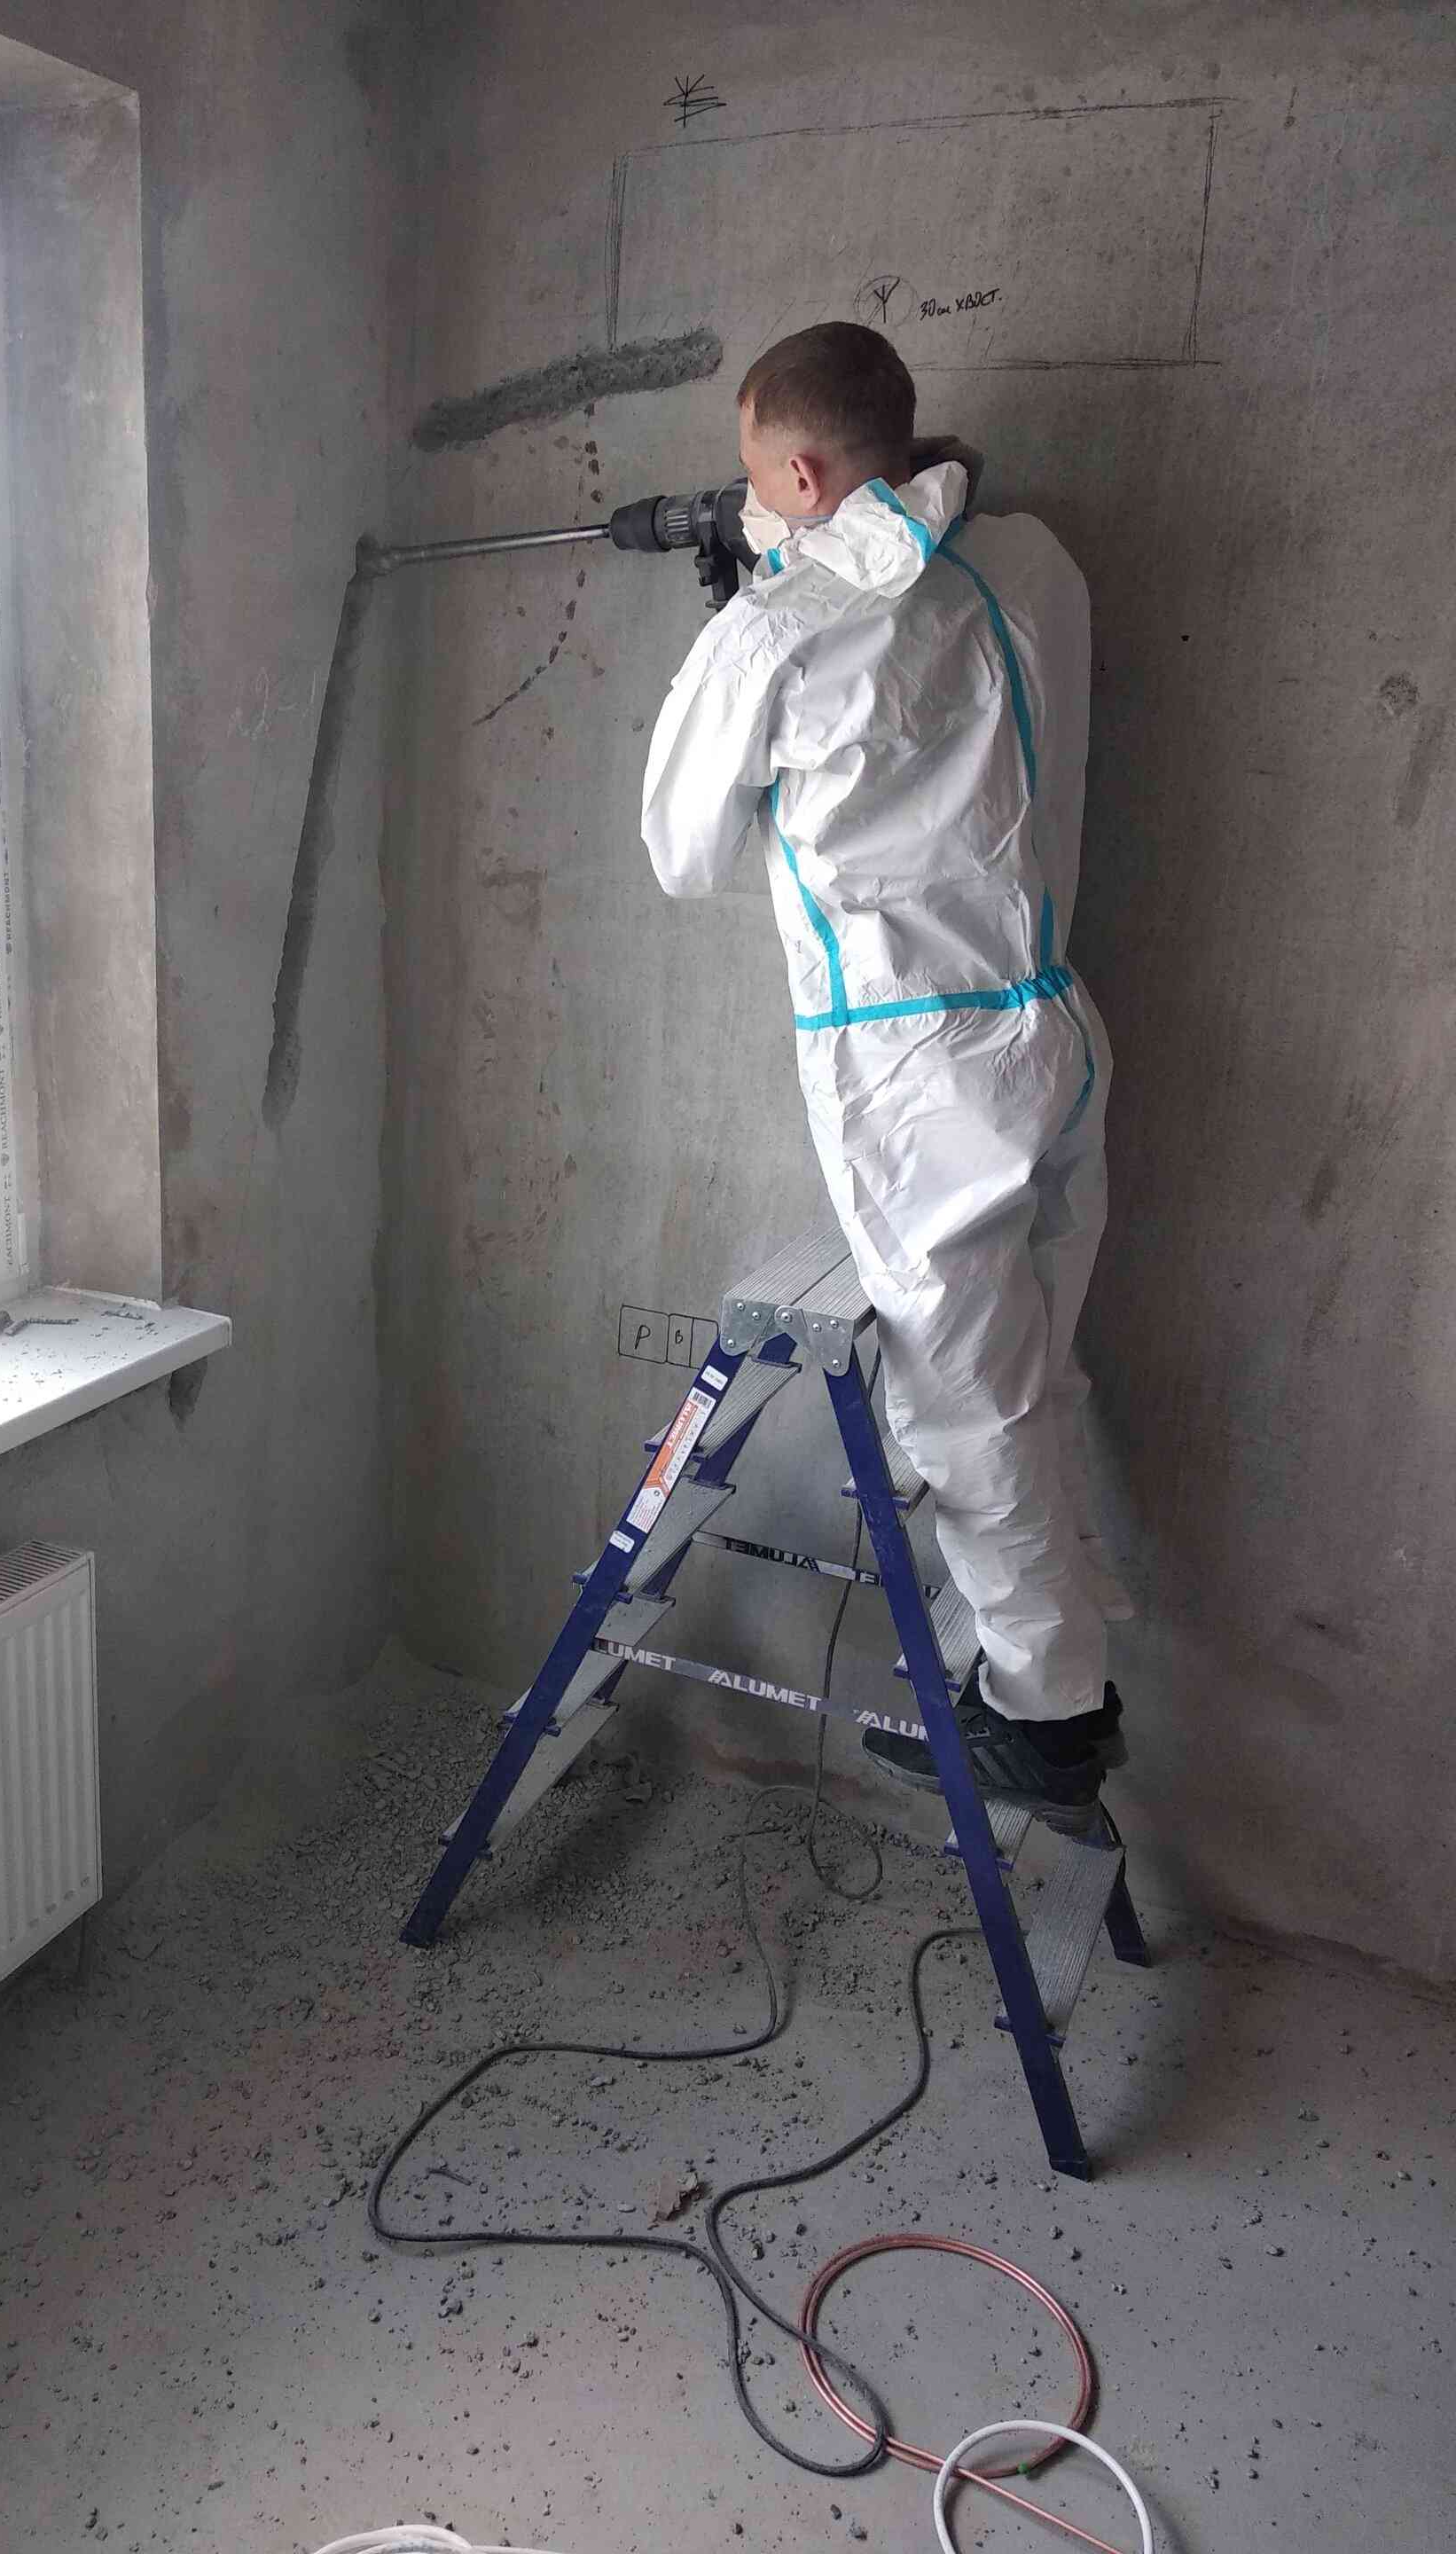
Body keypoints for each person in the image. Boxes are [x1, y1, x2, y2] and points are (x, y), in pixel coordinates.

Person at [639, 320, 1129, 1812]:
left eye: (757, 478)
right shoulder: (1035, 561)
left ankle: (1048, 1715)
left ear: (800, 475)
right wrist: (806, 555)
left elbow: (681, 852)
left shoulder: (777, 635)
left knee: (967, 1401)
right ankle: (1034, 1668)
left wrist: (753, 606)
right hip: (1051, 1022)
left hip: (915, 1064)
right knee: (1029, 1374)